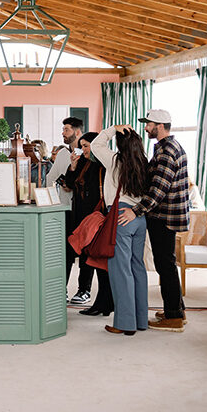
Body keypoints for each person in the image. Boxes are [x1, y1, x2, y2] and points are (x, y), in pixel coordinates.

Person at [116, 109, 189, 332]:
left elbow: (159, 190)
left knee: (165, 265)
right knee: (167, 264)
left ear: (160, 126)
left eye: (149, 124)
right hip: (167, 215)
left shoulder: (167, 151)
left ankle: (174, 317)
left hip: (164, 216)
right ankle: (176, 310)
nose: (146, 128)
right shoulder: (168, 147)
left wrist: (135, 211)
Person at [90, 125, 150, 336]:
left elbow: (96, 145)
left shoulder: (115, 160)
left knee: (121, 271)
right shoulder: (144, 163)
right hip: (139, 217)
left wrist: (113, 129)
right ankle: (140, 320)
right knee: (137, 268)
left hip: (121, 216)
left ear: (119, 144)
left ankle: (125, 323)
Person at [65, 132, 112, 316]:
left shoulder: (103, 164)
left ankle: (90, 295)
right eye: (82, 146)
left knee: (94, 259)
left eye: (86, 146)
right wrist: (73, 166)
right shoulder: (83, 163)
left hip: (95, 218)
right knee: (82, 255)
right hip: (81, 218)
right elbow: (69, 184)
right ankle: (100, 302)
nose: (83, 150)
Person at [45, 117, 90, 304]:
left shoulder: (88, 154)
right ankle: (60, 289)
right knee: (65, 251)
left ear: (77, 132)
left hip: (85, 210)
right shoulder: (63, 154)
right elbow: (50, 178)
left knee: (86, 251)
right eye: (63, 129)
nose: (63, 133)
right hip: (65, 209)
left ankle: (84, 290)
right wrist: (52, 201)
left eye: (66, 129)